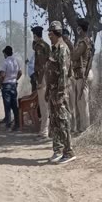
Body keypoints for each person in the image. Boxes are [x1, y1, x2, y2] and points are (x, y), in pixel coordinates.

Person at [46, 20, 76, 164]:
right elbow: (51, 72)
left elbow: (64, 74)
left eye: (50, 33)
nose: (49, 36)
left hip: (60, 93)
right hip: (53, 91)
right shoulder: (54, 49)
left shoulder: (63, 49)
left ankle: (68, 152)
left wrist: (60, 93)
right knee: (55, 122)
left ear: (56, 33)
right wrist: (48, 90)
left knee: (63, 121)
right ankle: (58, 150)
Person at [72, 18, 94, 133]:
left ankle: (86, 129)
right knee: (81, 102)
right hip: (83, 73)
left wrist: (70, 46)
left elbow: (75, 56)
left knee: (83, 102)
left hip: (83, 74)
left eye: (78, 28)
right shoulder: (87, 40)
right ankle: (82, 128)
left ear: (81, 29)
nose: (77, 30)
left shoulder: (83, 42)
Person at [31, 26, 50, 138]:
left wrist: (39, 81)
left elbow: (42, 65)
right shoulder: (46, 45)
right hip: (47, 76)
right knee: (45, 105)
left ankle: (44, 131)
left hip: (42, 77)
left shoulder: (40, 46)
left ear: (35, 35)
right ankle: (45, 129)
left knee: (43, 105)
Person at [0, 46, 22, 131]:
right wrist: (15, 79)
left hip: (6, 85)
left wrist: (1, 84)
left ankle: (8, 125)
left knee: (7, 105)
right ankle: (17, 124)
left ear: (5, 53)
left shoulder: (5, 62)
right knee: (14, 105)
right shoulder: (16, 61)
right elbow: (20, 73)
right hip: (13, 85)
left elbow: (2, 75)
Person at [62, 29, 77, 133]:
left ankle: (73, 126)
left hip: (70, 79)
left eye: (66, 37)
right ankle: (66, 126)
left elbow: (74, 57)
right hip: (63, 80)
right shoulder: (61, 48)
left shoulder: (71, 47)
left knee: (71, 104)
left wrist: (69, 43)